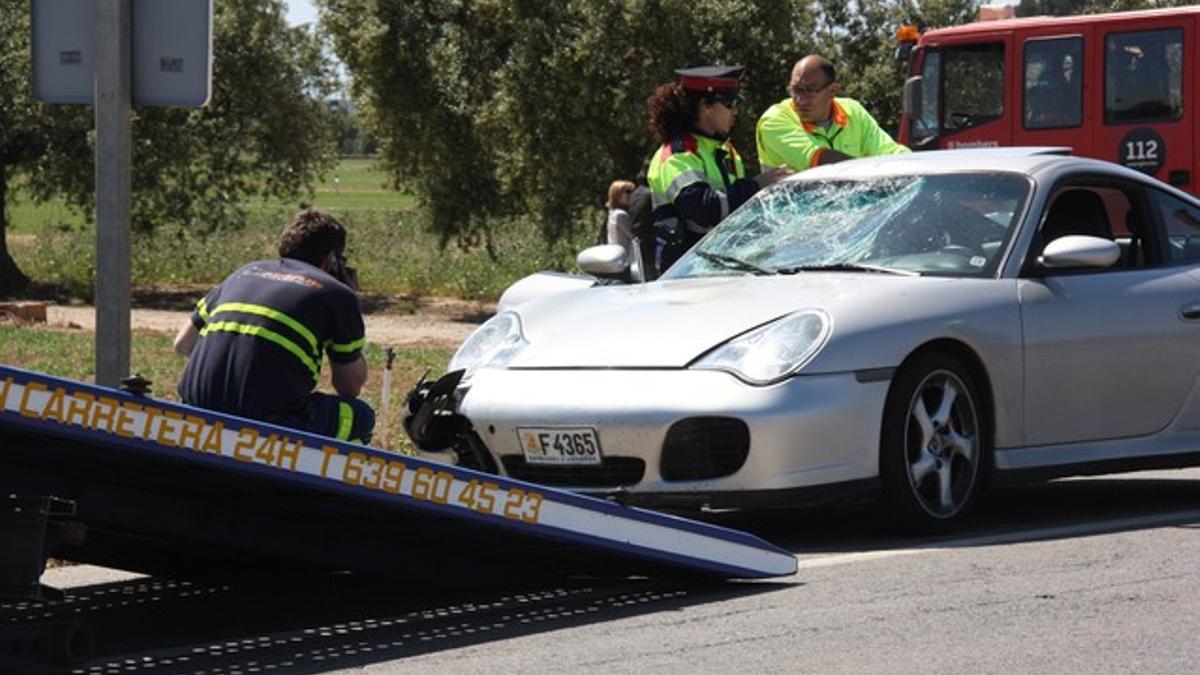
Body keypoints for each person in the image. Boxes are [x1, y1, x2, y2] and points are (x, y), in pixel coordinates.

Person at [173, 210, 375, 443]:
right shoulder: (336, 294)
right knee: (359, 417)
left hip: (195, 411)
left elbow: (183, 344)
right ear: (331, 259)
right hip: (268, 425)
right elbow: (349, 386)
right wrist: (349, 320)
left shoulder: (245, 271)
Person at [646, 65, 788, 275]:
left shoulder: (725, 150)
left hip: (725, 270)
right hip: (684, 277)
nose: (735, 111)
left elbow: (737, 213)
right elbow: (705, 209)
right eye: (730, 104)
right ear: (706, 106)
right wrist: (757, 185)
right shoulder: (678, 154)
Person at [756, 55, 909, 172]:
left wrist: (914, 164)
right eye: (795, 90)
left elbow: (889, 151)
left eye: (809, 90)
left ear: (833, 91)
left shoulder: (852, 111)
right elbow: (819, 160)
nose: (800, 100)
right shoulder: (774, 120)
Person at [604, 179, 636, 259]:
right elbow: (634, 236)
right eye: (627, 192)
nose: (631, 195)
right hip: (625, 259)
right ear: (617, 195)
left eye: (632, 191)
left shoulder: (613, 213)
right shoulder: (621, 215)